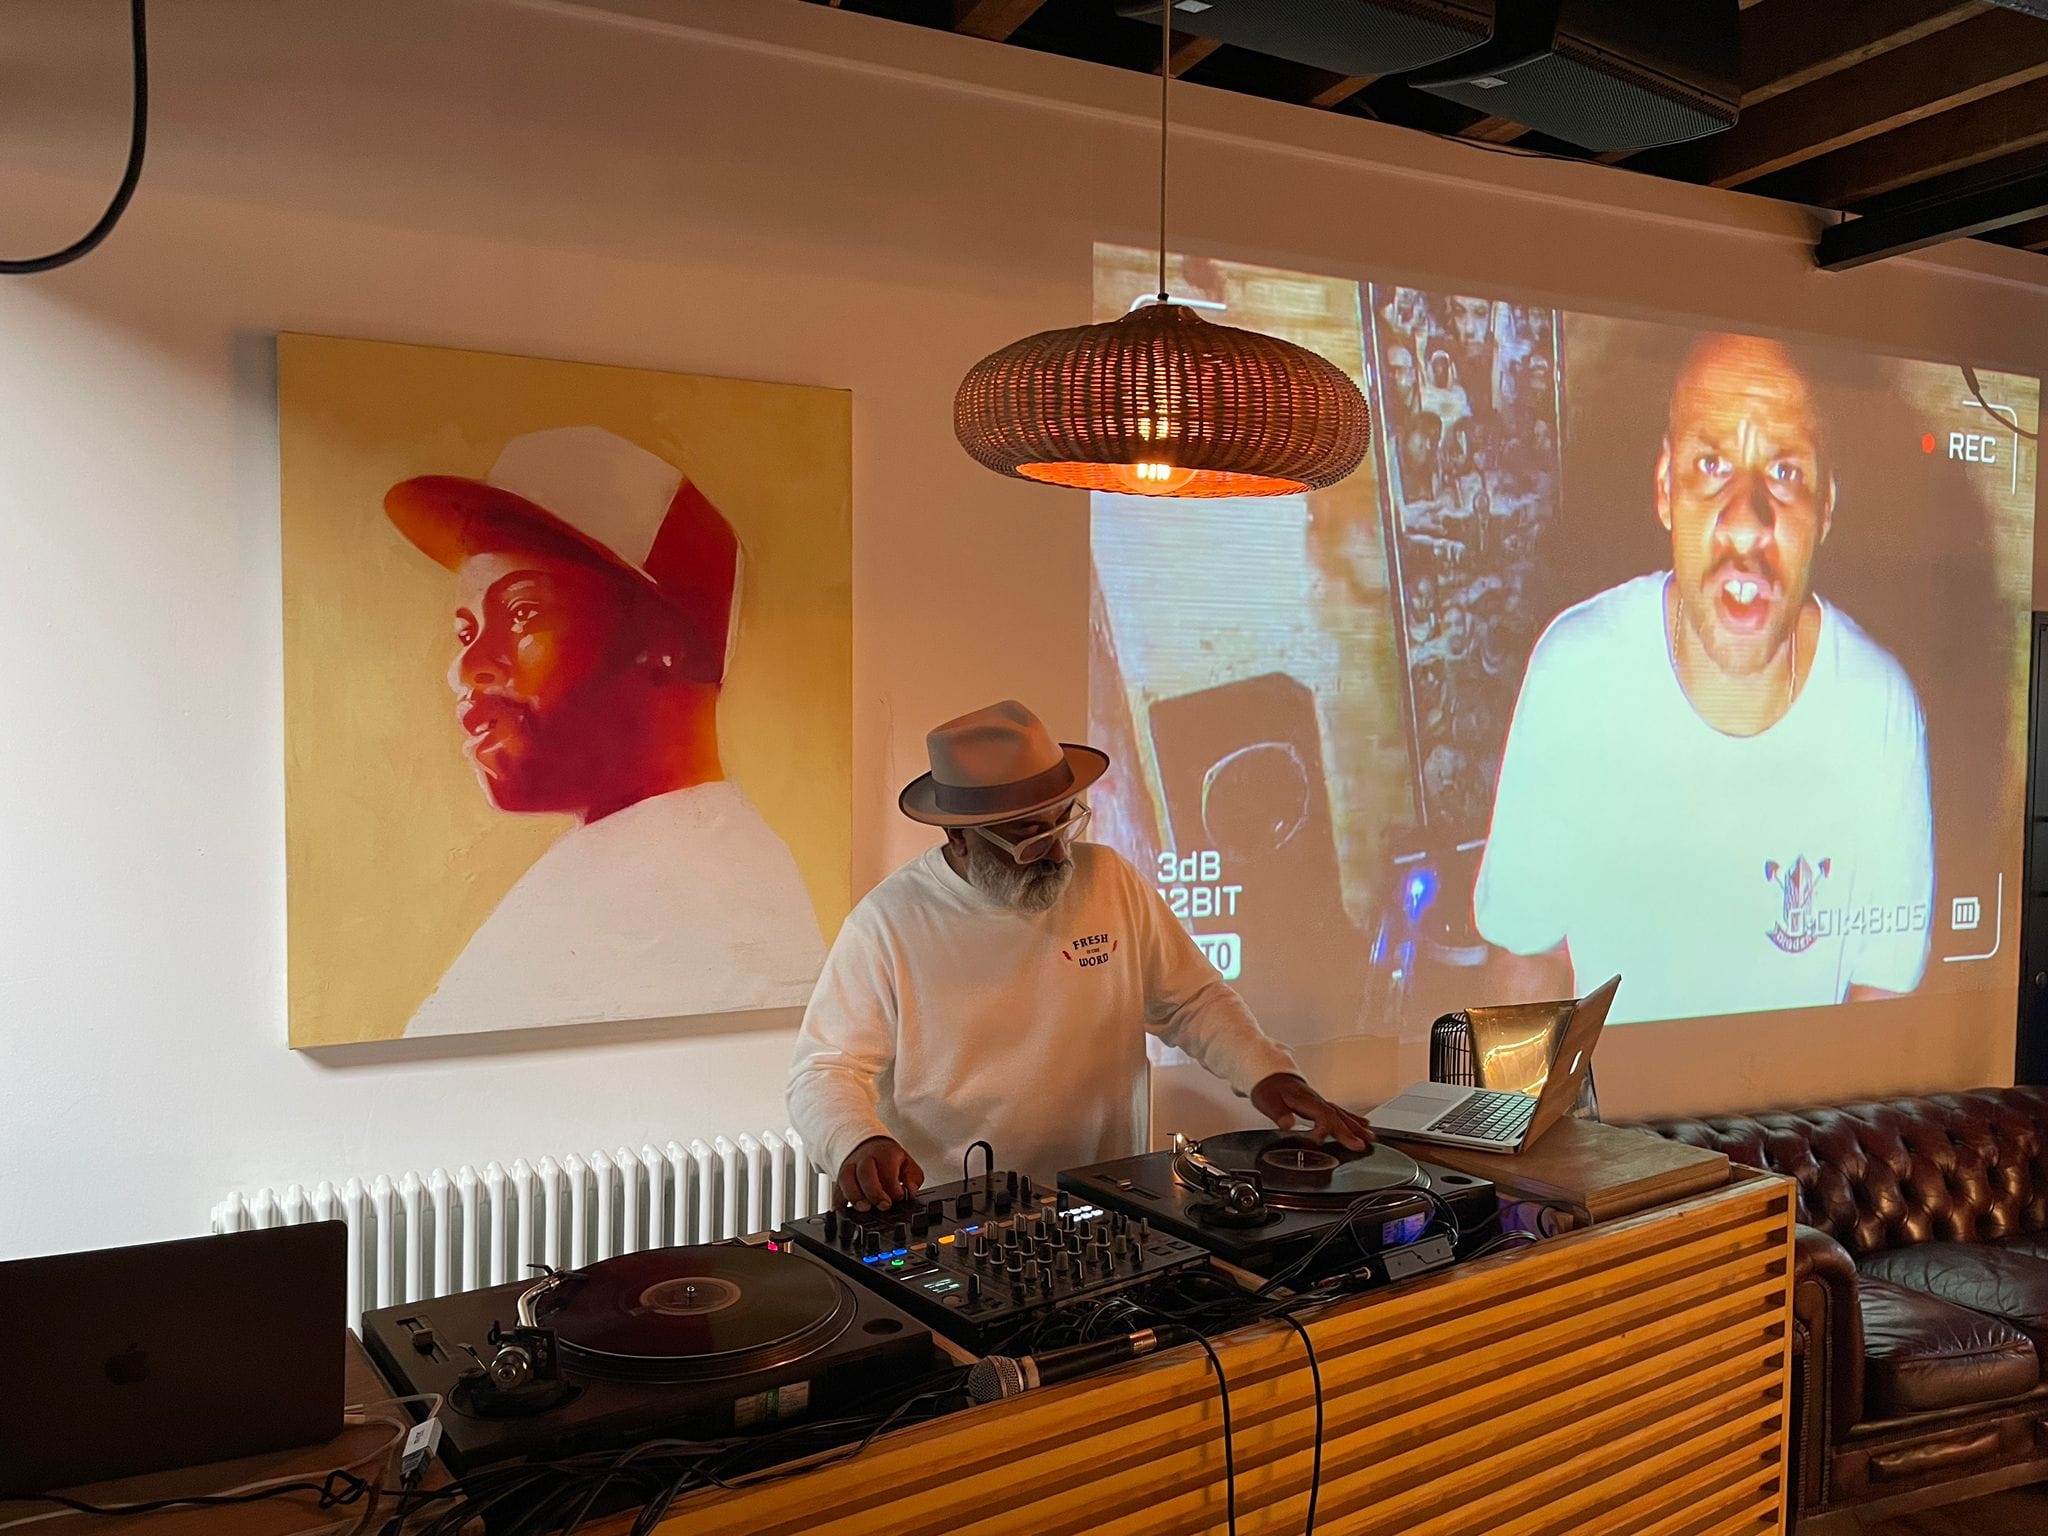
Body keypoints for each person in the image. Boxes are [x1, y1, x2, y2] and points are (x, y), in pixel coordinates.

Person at [1474, 334, 1933, 1025]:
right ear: (1666, 489)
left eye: (1784, 472)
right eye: (1712, 465)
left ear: (1825, 510)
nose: (1745, 524)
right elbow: (1524, 958)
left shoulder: (1880, 707)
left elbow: (1883, 1000)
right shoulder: (1575, 671)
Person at [786, 700, 1369, 1207]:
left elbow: (1191, 1001)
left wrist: (1265, 1071)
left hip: (1106, 1195)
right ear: (958, 836)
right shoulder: (889, 923)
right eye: (1029, 837)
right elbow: (825, 1068)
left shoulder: (1109, 880)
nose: (1059, 856)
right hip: (956, 1213)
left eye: (1064, 824)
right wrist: (856, 1140)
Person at [384, 425, 825, 1037]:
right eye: (466, 632)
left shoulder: (691, 894)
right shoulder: (630, 860)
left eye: (522, 613)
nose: (466, 666)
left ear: (664, 644)